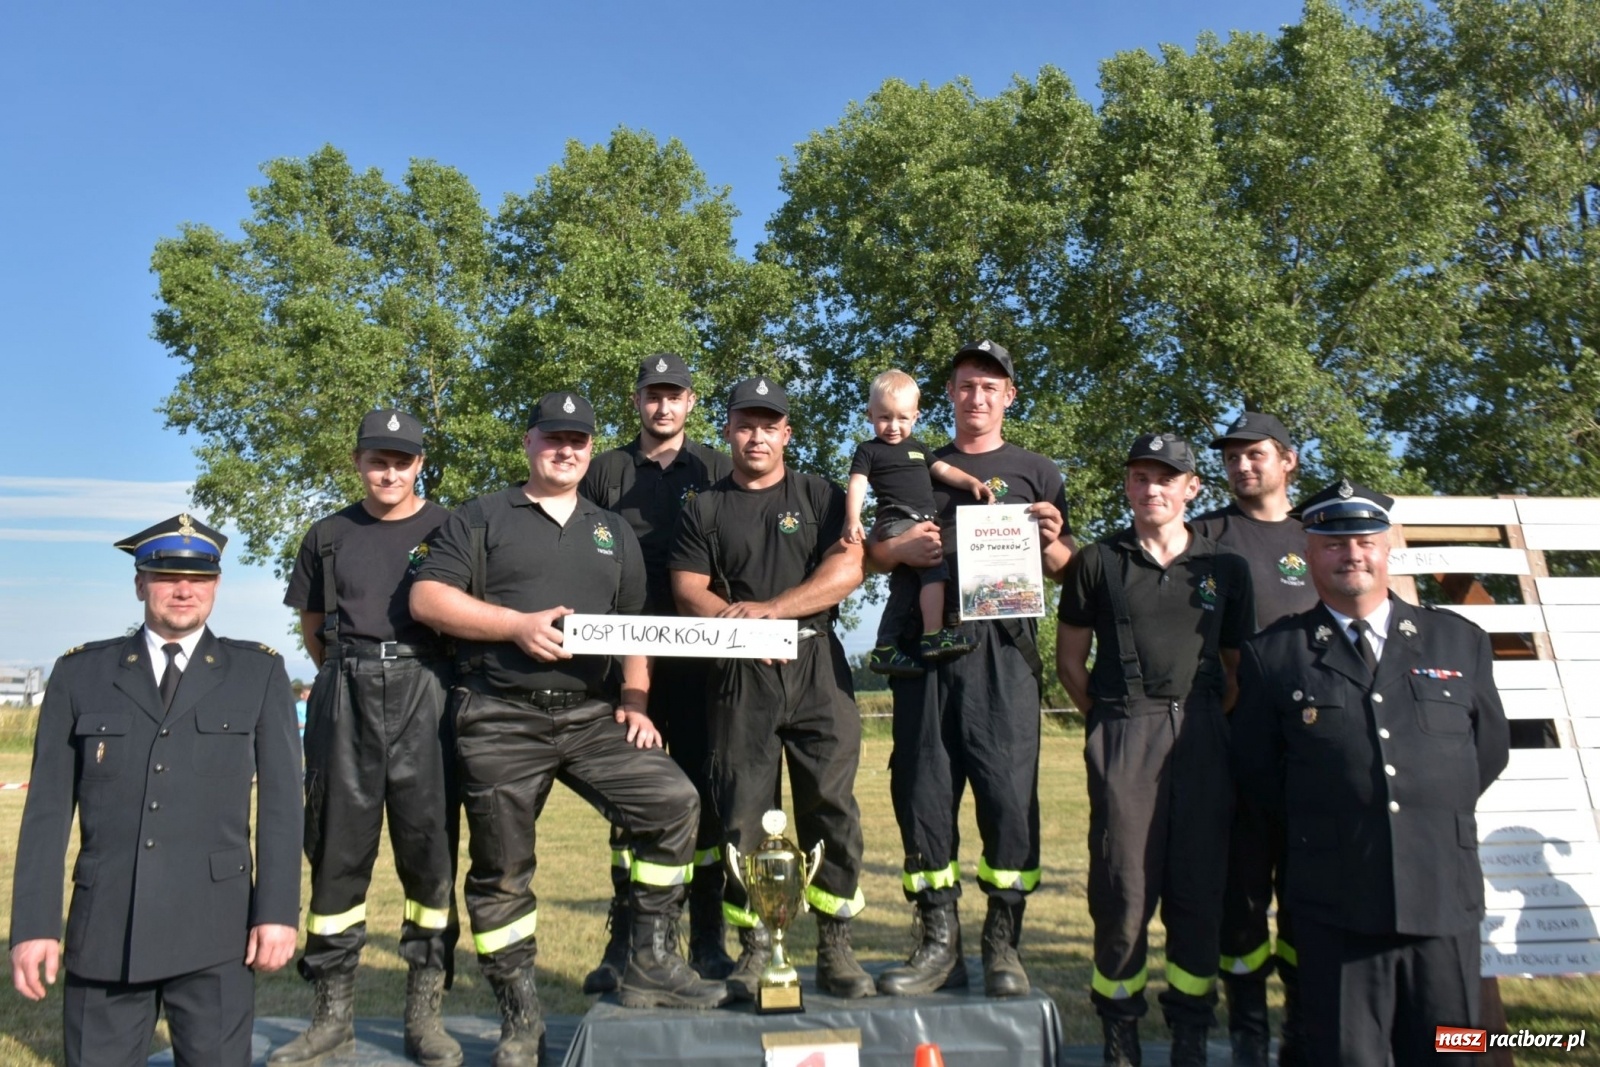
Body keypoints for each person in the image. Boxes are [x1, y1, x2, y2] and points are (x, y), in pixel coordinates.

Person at [411, 391, 725, 1066]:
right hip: (499, 713)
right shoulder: (481, 517)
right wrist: (515, 626)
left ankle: (648, 957)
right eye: (553, 437)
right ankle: (520, 1015)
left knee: (673, 802)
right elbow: (427, 597)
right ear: (527, 443)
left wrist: (637, 702)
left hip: (590, 713)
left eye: (578, 439)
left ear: (590, 448)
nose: (566, 449)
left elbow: (635, 628)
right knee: (503, 871)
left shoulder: (610, 531)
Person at [1232, 480, 1509, 1067]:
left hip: (1441, 894)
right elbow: (1259, 774)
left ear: (1386, 549)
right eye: (1332, 543)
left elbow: (1487, 753)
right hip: (1337, 904)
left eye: (1363, 540)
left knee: (1451, 1053)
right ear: (1309, 552)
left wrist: (1423, 804)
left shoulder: (1458, 641)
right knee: (1348, 1057)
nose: (1350, 553)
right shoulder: (1274, 654)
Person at [9, 514, 301, 1066]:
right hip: (106, 932)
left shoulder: (257, 674)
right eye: (166, 575)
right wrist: (34, 926)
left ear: (216, 585)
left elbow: (284, 808)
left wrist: (277, 912)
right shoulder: (81, 675)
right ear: (140, 583)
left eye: (199, 578)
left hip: (217, 933)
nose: (183, 590)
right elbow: (46, 811)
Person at [868, 340, 1073, 999]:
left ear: (1010, 395)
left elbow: (1065, 564)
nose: (977, 396)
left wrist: (1052, 537)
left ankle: (1002, 945)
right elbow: (871, 552)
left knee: (1009, 797)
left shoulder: (1039, 470)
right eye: (965, 385)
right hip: (925, 647)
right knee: (923, 792)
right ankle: (939, 943)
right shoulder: (911, 461)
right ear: (948, 395)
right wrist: (895, 547)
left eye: (990, 385)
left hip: (1003, 653)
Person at [669, 375, 875, 1001]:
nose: (756, 435)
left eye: (769, 424)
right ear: (727, 430)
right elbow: (687, 588)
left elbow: (848, 567)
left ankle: (836, 946)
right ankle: (757, 945)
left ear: (787, 432)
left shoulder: (818, 495)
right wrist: (739, 630)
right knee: (742, 814)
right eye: (745, 423)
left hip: (816, 665)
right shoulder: (702, 506)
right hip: (739, 673)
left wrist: (776, 611)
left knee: (831, 808)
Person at [1056, 433, 1253, 1067]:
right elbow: (1068, 662)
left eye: (1166, 478)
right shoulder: (1097, 561)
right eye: (1140, 478)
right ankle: (1121, 1031)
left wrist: (1199, 723)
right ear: (1128, 487)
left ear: (1192, 488)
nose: (1152, 489)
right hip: (1122, 730)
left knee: (1199, 891)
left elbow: (1234, 669)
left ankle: (1191, 1029)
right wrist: (1115, 723)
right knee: (1123, 891)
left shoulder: (1226, 569)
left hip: (1201, 734)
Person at [272, 408, 460, 1067]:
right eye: (376, 458)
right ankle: (331, 1019)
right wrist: (349, 675)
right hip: (344, 692)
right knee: (334, 854)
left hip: (424, 692)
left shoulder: (450, 527)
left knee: (430, 856)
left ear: (419, 464)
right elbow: (314, 625)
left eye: (402, 459)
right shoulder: (326, 534)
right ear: (357, 461)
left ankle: (425, 1014)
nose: (389, 470)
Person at [578, 352, 735, 992]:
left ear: (691, 402)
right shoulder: (604, 471)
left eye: (674, 395)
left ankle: (707, 939)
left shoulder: (720, 468)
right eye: (652, 395)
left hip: (705, 659)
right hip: (623, 662)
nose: (662, 406)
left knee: (708, 798)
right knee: (633, 800)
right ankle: (628, 941)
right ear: (637, 400)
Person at [1192, 411, 1317, 1067]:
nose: (1242, 466)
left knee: (1306, 892)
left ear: (1288, 460)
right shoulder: (1207, 533)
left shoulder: (1320, 533)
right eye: (1233, 457)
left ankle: (1302, 1024)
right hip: (1236, 744)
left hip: (1314, 748)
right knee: (1240, 894)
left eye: (1256, 454)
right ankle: (1246, 1029)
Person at [846, 369, 996, 678]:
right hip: (898, 519)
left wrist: (971, 483)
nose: (893, 426)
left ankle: (885, 646)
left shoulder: (918, 447)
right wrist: (852, 518)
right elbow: (858, 484)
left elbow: (942, 470)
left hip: (917, 522)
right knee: (934, 572)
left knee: (904, 587)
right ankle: (933, 635)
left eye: (902, 418)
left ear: (916, 416)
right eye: (884, 417)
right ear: (869, 414)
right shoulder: (868, 451)